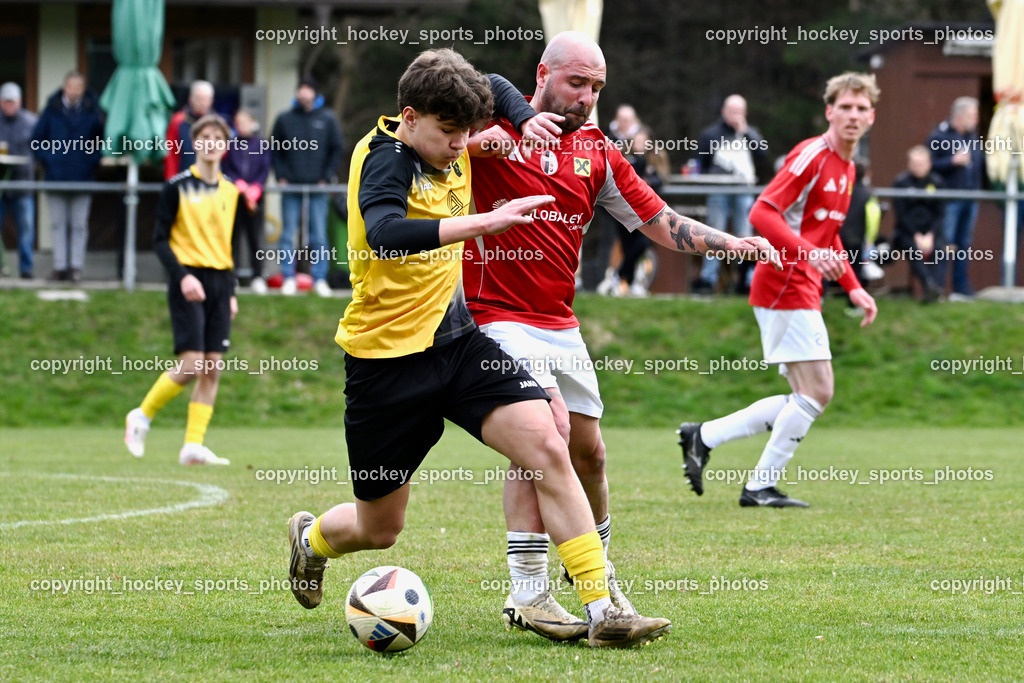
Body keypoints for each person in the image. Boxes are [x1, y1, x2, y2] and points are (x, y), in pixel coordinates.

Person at [284, 48, 671, 649]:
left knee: (548, 441)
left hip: (460, 344)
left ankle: (603, 610)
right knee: (379, 529)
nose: (462, 144)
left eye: (468, 131)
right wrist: (485, 223)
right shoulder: (383, 158)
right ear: (409, 117)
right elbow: (386, 235)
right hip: (385, 363)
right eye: (448, 133)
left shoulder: (458, 138)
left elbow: (488, 80)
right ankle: (311, 540)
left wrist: (519, 115)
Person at [463, 31, 778, 640]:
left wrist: (731, 242)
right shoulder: (495, 124)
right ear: (543, 73)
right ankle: (543, 592)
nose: (586, 97)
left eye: (597, 88)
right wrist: (480, 140)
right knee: (545, 431)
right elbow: (431, 146)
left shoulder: (597, 151)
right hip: (495, 314)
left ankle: (602, 576)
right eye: (577, 82)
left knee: (591, 454)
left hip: (561, 323)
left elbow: (659, 220)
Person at [678, 72, 880, 508]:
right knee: (818, 391)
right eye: (844, 106)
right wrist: (807, 254)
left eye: (861, 108)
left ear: (872, 117)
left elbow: (829, 238)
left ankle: (704, 437)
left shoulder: (846, 168)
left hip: (799, 284)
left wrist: (854, 287)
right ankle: (757, 486)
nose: (853, 115)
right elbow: (762, 211)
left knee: (805, 394)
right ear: (829, 111)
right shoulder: (813, 154)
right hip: (784, 282)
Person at [124, 114, 240, 466]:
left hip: (220, 281)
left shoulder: (231, 190)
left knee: (212, 367)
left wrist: (231, 290)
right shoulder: (175, 186)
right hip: (187, 278)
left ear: (225, 145)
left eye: (217, 138)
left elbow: (227, 244)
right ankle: (141, 416)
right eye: (204, 137)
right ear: (195, 142)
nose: (211, 143)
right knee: (191, 365)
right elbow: (159, 240)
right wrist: (182, 276)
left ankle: (192, 445)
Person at [270, 77, 344, 297]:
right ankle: (288, 278)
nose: (303, 94)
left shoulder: (328, 119)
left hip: (318, 187)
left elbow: (336, 148)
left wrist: (327, 175)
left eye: (307, 90)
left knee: (318, 235)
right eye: (300, 90)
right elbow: (275, 149)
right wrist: (281, 175)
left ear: (315, 93)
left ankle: (319, 279)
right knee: (288, 233)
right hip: (291, 186)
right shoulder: (284, 119)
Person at [31, 71, 105, 282]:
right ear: (65, 87)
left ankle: (76, 268)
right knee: (57, 224)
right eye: (70, 87)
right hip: (55, 176)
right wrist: (49, 159)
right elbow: (37, 138)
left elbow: (100, 142)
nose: (73, 91)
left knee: (79, 225)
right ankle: (60, 266)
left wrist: (90, 161)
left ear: (83, 89)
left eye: (78, 87)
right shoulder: (52, 110)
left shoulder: (93, 112)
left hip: (83, 177)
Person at [692, 94, 768, 294]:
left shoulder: (751, 134)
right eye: (731, 111)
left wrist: (746, 133)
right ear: (723, 111)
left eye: (739, 112)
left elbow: (762, 156)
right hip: (718, 191)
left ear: (745, 113)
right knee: (713, 234)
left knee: (745, 235)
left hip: (744, 192)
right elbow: (701, 164)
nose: (735, 115)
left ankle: (746, 280)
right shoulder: (710, 134)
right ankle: (708, 280)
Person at [927, 97, 983, 300]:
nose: (976, 120)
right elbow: (928, 166)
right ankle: (939, 288)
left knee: (963, 244)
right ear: (960, 116)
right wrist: (952, 161)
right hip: (949, 200)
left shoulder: (973, 138)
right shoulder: (939, 136)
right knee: (945, 243)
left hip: (970, 198)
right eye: (973, 115)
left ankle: (961, 288)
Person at [221, 109, 271, 294]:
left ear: (252, 123)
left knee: (254, 239)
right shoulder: (231, 144)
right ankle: (230, 275)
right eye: (237, 122)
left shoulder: (262, 144)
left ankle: (257, 276)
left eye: (244, 122)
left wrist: (256, 187)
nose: (240, 126)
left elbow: (265, 169)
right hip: (235, 197)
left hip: (255, 200)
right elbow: (227, 168)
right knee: (232, 238)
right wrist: (238, 183)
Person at [892, 145, 945, 303]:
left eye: (921, 163)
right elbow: (901, 215)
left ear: (929, 164)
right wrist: (916, 235)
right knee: (913, 250)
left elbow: (940, 214)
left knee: (940, 249)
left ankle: (935, 291)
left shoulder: (937, 182)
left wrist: (930, 234)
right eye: (915, 163)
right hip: (907, 232)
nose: (918, 167)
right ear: (909, 164)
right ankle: (929, 286)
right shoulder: (901, 182)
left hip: (931, 232)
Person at [0, 82, 38, 279]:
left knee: (26, 228)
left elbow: (41, 150)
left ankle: (26, 269)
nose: (9, 105)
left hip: (23, 184)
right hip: (1, 184)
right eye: (6, 101)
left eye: (12, 101)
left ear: (19, 101)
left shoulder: (31, 122)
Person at [164, 80, 215, 180]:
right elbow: (171, 152)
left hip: (210, 178)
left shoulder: (216, 123)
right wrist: (171, 178)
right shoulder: (178, 120)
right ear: (191, 99)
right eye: (199, 99)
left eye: (205, 99)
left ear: (211, 101)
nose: (202, 103)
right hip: (183, 176)